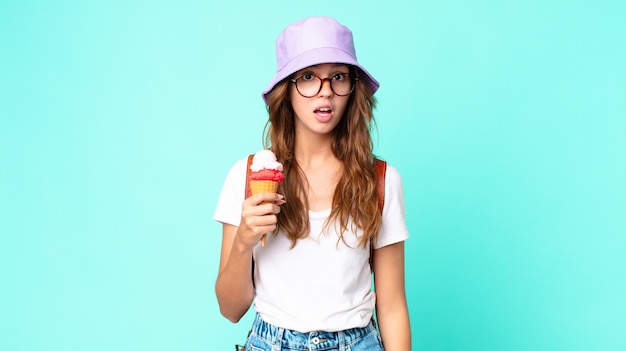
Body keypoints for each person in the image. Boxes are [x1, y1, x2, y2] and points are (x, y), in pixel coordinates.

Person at [214, 16, 411, 350]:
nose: (325, 91)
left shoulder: (381, 181)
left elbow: (391, 308)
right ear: (286, 90)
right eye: (308, 77)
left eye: (338, 76)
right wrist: (244, 241)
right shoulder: (246, 177)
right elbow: (231, 310)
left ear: (353, 88)